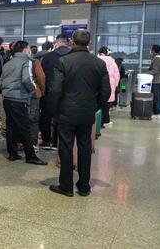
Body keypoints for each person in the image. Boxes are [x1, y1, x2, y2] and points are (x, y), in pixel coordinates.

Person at [47, 30, 111, 197]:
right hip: (87, 113)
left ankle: (66, 186)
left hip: (66, 112)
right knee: (85, 148)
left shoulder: (64, 61)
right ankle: (84, 186)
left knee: (66, 148)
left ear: (72, 43)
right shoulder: (99, 63)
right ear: (88, 44)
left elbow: (55, 89)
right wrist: (95, 106)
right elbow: (106, 91)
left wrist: (54, 110)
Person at [0, 41, 46, 165]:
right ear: (25, 49)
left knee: (11, 126)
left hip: (7, 98)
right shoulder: (27, 61)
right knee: (25, 127)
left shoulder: (8, 63)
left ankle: (12, 153)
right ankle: (31, 156)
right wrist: (33, 91)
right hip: (19, 98)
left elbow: (1, 82)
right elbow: (27, 79)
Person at [40, 34, 71, 150]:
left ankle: (46, 140)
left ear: (57, 43)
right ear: (67, 43)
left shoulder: (48, 57)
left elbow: (42, 76)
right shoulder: (72, 55)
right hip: (68, 93)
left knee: (46, 117)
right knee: (62, 117)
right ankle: (57, 142)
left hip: (50, 92)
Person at [97, 46, 120, 126]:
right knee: (106, 106)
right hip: (109, 86)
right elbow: (117, 75)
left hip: (98, 85)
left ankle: (98, 122)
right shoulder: (112, 62)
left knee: (98, 105)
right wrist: (115, 85)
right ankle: (106, 121)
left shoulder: (96, 61)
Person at [148, 44, 160, 118]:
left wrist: (146, 74)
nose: (151, 51)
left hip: (156, 81)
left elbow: (155, 70)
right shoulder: (159, 57)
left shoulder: (157, 59)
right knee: (157, 97)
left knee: (156, 97)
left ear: (153, 50)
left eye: (151, 50)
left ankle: (157, 113)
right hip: (158, 80)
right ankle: (156, 112)